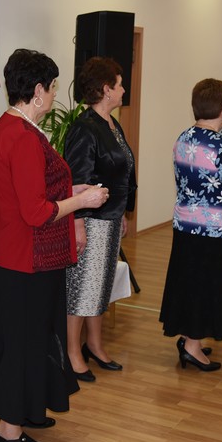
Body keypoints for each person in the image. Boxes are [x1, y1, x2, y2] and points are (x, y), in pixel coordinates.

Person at [0, 48, 109, 442]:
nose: (53, 94)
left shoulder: (11, 127)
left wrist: (73, 190)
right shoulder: (21, 137)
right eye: (51, 87)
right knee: (23, 345)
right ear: (37, 91)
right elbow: (36, 212)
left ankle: (27, 411)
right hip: (27, 259)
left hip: (22, 256)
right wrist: (83, 202)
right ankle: (8, 433)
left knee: (30, 340)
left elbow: (34, 192)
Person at [159, 79, 222, 372]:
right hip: (212, 228)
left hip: (185, 224)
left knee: (189, 282)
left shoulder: (184, 137)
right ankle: (192, 347)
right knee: (206, 285)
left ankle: (191, 339)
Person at [63, 57, 137, 382]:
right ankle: (72, 353)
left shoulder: (110, 124)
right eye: (119, 85)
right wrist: (77, 223)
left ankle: (94, 344)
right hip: (91, 220)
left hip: (110, 218)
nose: (123, 90)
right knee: (82, 289)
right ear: (107, 89)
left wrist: (123, 213)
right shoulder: (85, 127)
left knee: (100, 287)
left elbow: (123, 172)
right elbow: (76, 180)